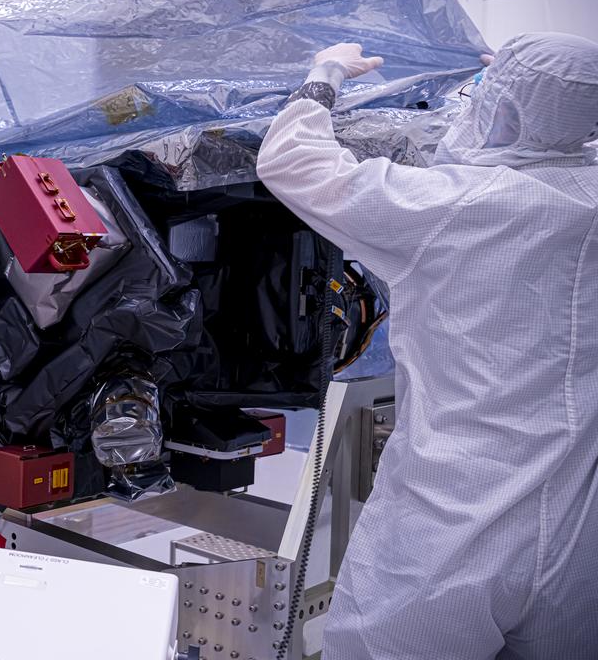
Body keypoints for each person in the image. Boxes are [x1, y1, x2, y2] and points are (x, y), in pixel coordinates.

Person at [256, 33, 598, 659]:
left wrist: (323, 76)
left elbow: (292, 163)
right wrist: (545, 100)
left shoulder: (449, 203)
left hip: (455, 522)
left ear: (505, 108)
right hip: (580, 531)